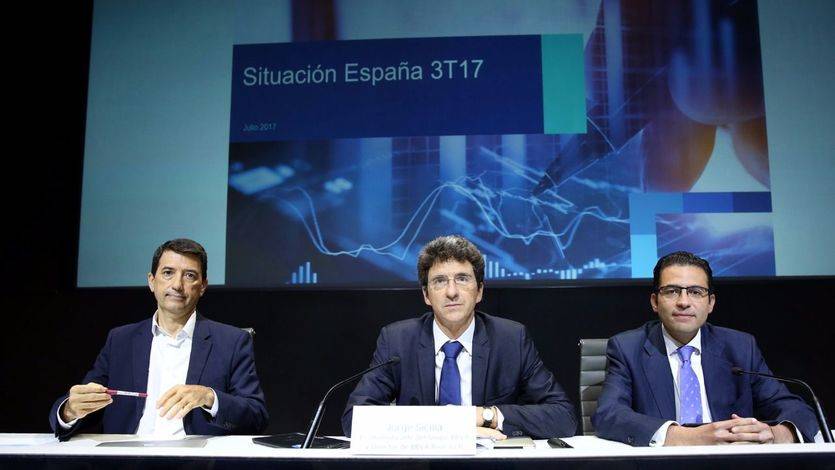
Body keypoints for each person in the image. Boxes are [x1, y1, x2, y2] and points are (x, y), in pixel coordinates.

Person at [341, 235, 576, 439]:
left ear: (479, 291)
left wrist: (484, 416)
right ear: (426, 295)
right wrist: (449, 427)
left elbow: (563, 417)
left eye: (462, 279)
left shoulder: (511, 339)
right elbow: (355, 419)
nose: (452, 292)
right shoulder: (398, 341)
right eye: (439, 281)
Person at [592, 251, 818, 446]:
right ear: (654, 301)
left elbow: (796, 410)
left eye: (695, 292)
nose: (683, 301)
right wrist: (687, 437)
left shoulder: (740, 347)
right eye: (672, 291)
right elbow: (609, 414)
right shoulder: (628, 348)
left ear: (710, 303)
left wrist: (774, 434)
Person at [49, 239, 268, 439]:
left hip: (199, 463)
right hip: (126, 461)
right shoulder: (121, 340)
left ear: (203, 287)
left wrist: (209, 397)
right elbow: (85, 401)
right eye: (168, 273)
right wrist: (70, 410)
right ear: (152, 281)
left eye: (189, 275)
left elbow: (256, 417)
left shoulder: (232, 341)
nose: (177, 285)